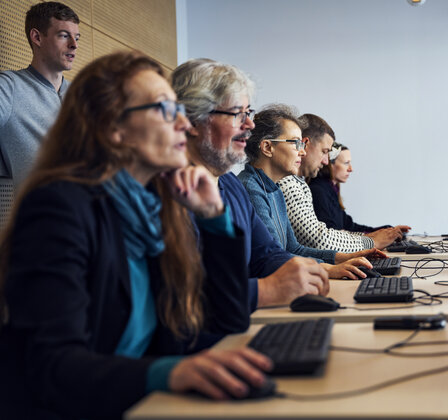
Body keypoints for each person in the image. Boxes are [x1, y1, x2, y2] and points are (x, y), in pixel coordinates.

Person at [0, 52, 272, 420]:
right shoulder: (59, 209)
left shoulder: (157, 206)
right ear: (114, 128)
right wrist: (168, 372)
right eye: (165, 110)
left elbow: (226, 320)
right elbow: (52, 366)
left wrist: (213, 218)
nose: (184, 125)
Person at [171, 58, 330, 309]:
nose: (250, 125)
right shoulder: (164, 193)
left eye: (249, 113)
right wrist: (268, 290)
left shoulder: (231, 186)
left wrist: (309, 271)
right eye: (237, 114)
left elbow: (265, 254)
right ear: (192, 120)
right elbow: (180, 297)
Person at [238, 104, 385, 279]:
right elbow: (272, 257)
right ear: (268, 147)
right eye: (296, 143)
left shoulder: (274, 189)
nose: (302, 152)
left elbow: (294, 249)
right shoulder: (251, 188)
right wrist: (327, 269)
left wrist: (341, 258)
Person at [277, 113, 408, 251]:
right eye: (324, 151)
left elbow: (329, 234)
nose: (326, 161)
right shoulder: (291, 183)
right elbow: (318, 240)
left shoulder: (299, 183)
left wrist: (376, 235)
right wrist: (371, 242)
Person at [0, 1, 80, 187]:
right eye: (64, 35)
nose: (74, 45)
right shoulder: (9, 86)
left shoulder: (81, 95)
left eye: (77, 37)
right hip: (46, 212)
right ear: (37, 37)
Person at [310, 141, 411, 234]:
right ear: (329, 164)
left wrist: (387, 230)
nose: (351, 169)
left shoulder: (331, 190)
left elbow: (350, 226)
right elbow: (333, 233)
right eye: (346, 163)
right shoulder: (318, 191)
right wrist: (377, 236)